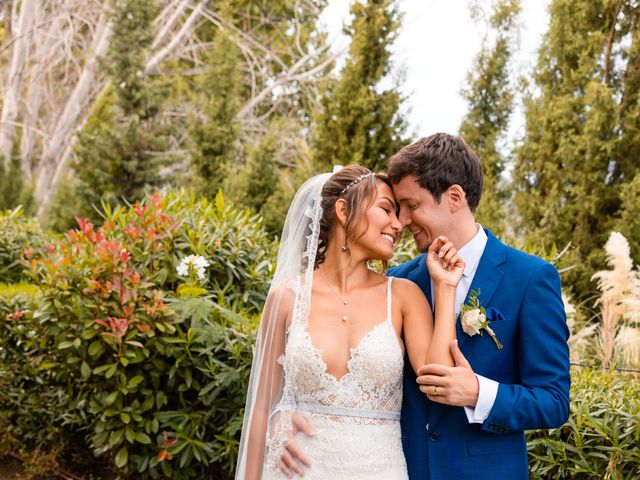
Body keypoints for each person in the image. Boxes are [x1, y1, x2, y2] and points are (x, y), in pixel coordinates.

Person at [278, 133, 571, 479]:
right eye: (395, 208)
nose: (401, 221)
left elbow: (553, 401)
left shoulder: (530, 278)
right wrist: (285, 415)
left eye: (411, 206)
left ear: (455, 197)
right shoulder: (400, 284)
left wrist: (479, 392)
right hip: (399, 468)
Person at [235, 164, 466, 479]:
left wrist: (446, 287)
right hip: (296, 471)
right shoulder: (287, 298)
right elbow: (261, 409)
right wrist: (278, 417)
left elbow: (438, 379)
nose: (398, 224)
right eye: (386, 209)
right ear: (343, 210)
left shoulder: (402, 296)